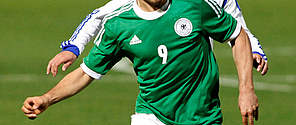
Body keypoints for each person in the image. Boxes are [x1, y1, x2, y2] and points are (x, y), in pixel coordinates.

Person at [22, 0, 259, 125]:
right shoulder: (119, 24)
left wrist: (246, 89)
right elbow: (86, 72)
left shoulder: (193, 6)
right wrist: (46, 98)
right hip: (151, 123)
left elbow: (238, 34)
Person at [46, 0, 268, 77]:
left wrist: (255, 50)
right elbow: (99, 15)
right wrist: (74, 47)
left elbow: (239, 28)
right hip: (158, 79)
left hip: (199, 83)